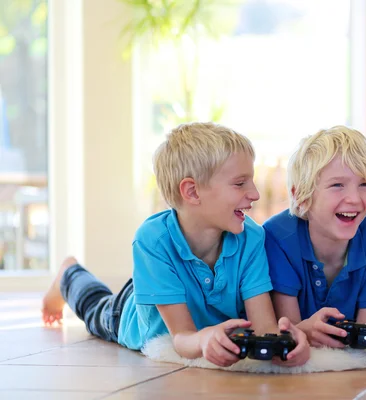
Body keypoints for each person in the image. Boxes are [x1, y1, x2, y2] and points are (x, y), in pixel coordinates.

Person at [41, 122, 309, 367]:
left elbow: (264, 326)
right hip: (136, 314)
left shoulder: (251, 237)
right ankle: (68, 273)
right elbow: (181, 337)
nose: (255, 194)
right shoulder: (152, 240)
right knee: (95, 307)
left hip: (172, 283)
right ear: (192, 191)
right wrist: (203, 340)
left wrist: (285, 345)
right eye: (240, 183)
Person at [263, 125, 366, 361]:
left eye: (364, 184)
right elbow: (287, 329)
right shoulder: (277, 236)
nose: (354, 198)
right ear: (301, 196)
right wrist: (303, 331)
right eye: (337, 185)